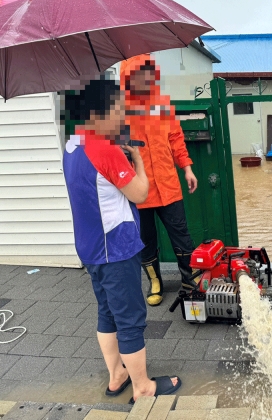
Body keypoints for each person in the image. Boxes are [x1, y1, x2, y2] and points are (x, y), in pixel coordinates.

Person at [62, 77, 182, 403]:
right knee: (130, 318)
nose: (123, 116)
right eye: (118, 109)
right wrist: (138, 162)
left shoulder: (73, 144)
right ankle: (143, 388)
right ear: (99, 113)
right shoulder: (106, 150)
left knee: (107, 312)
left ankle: (117, 375)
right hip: (115, 248)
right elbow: (140, 193)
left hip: (90, 248)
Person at [120, 55, 199, 306]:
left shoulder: (163, 105)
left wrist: (186, 168)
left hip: (168, 185)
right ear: (127, 79)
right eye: (137, 75)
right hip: (138, 189)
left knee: (182, 235)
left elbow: (176, 138)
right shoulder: (118, 111)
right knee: (146, 239)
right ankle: (155, 283)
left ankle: (190, 280)